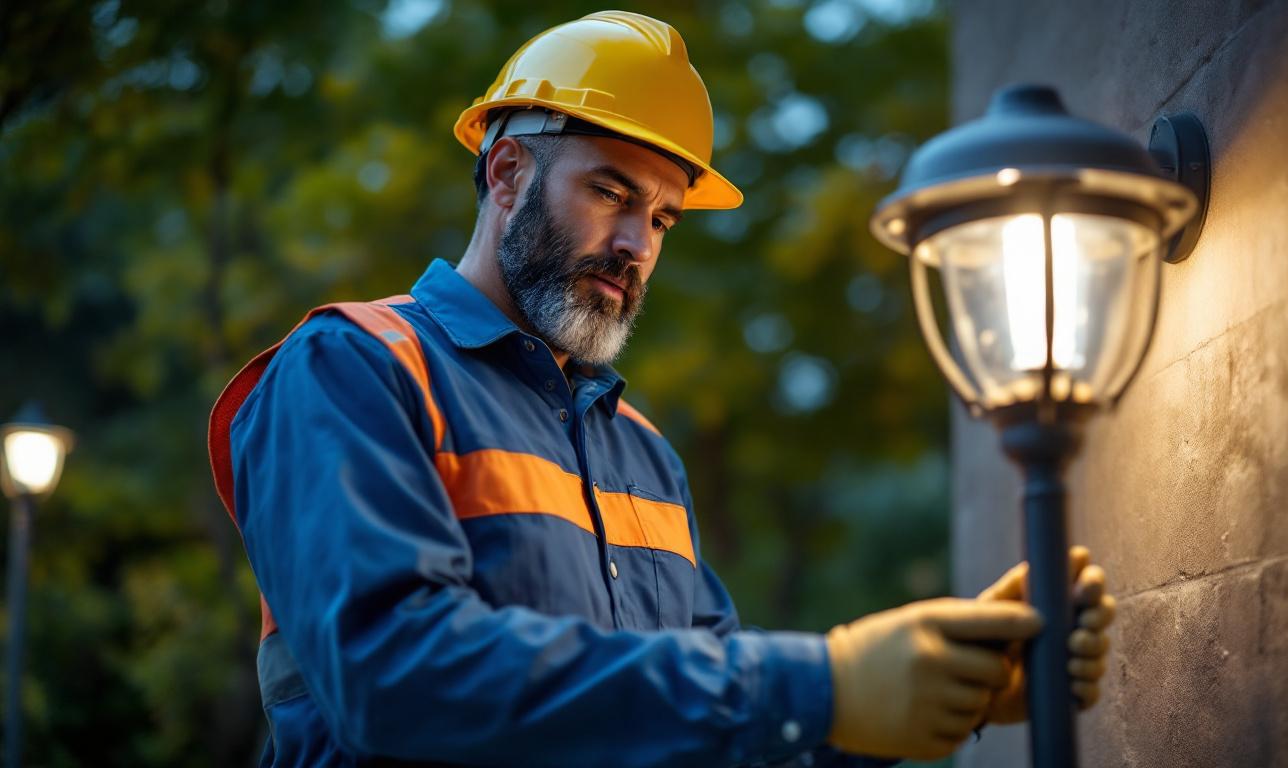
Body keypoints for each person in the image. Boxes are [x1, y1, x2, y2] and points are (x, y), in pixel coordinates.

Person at [207, 11, 1115, 767]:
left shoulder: (640, 451)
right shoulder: (354, 366)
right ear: (508, 173)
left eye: (663, 218)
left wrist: (942, 685)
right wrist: (824, 685)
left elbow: (721, 730)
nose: (637, 245)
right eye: (611, 192)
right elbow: (395, 677)